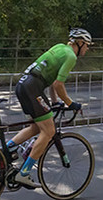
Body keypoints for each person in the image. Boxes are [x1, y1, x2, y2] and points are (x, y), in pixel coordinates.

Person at [6, 28, 91, 188]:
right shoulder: (71, 56)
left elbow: (53, 83)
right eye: (86, 45)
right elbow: (59, 84)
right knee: (49, 131)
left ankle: (5, 150)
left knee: (35, 128)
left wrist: (54, 102)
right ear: (79, 43)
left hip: (23, 85)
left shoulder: (60, 47)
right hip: (33, 89)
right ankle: (23, 173)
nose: (87, 48)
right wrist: (70, 103)